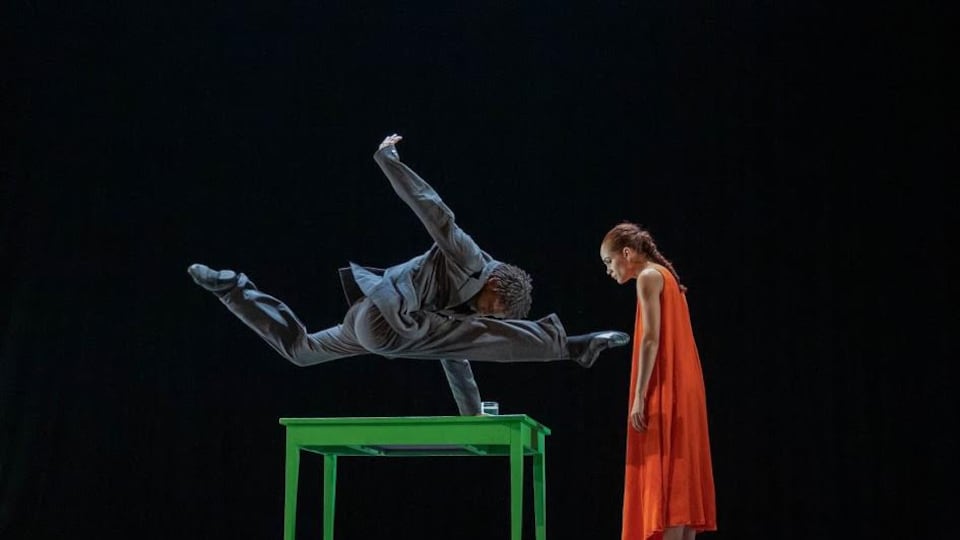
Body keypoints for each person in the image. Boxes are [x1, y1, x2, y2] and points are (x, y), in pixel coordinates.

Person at [187, 134, 629, 416]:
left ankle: (232, 289)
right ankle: (571, 346)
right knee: (467, 334)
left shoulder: (453, 318)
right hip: (386, 318)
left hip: (368, 322)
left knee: (300, 351)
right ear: (496, 285)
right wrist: (388, 159)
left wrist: (472, 415)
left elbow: (454, 354)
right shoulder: (472, 259)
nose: (485, 316)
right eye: (493, 310)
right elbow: (435, 213)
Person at [600, 222, 717, 540]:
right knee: (678, 474)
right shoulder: (668, 278)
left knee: (665, 473)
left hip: (668, 385)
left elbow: (651, 339)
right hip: (684, 385)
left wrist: (639, 395)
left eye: (609, 262)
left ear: (626, 253)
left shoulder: (650, 277)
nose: (609, 270)